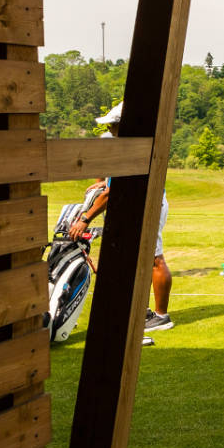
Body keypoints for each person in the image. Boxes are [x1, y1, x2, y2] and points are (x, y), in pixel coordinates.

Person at [71, 102, 174, 332]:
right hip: (131, 206)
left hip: (150, 205)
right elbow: (102, 164)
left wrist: (84, 219)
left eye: (114, 125)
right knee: (134, 260)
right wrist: (98, 181)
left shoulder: (137, 149)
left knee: (153, 258)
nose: (110, 129)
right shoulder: (112, 140)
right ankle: (142, 310)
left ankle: (161, 317)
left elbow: (111, 194)